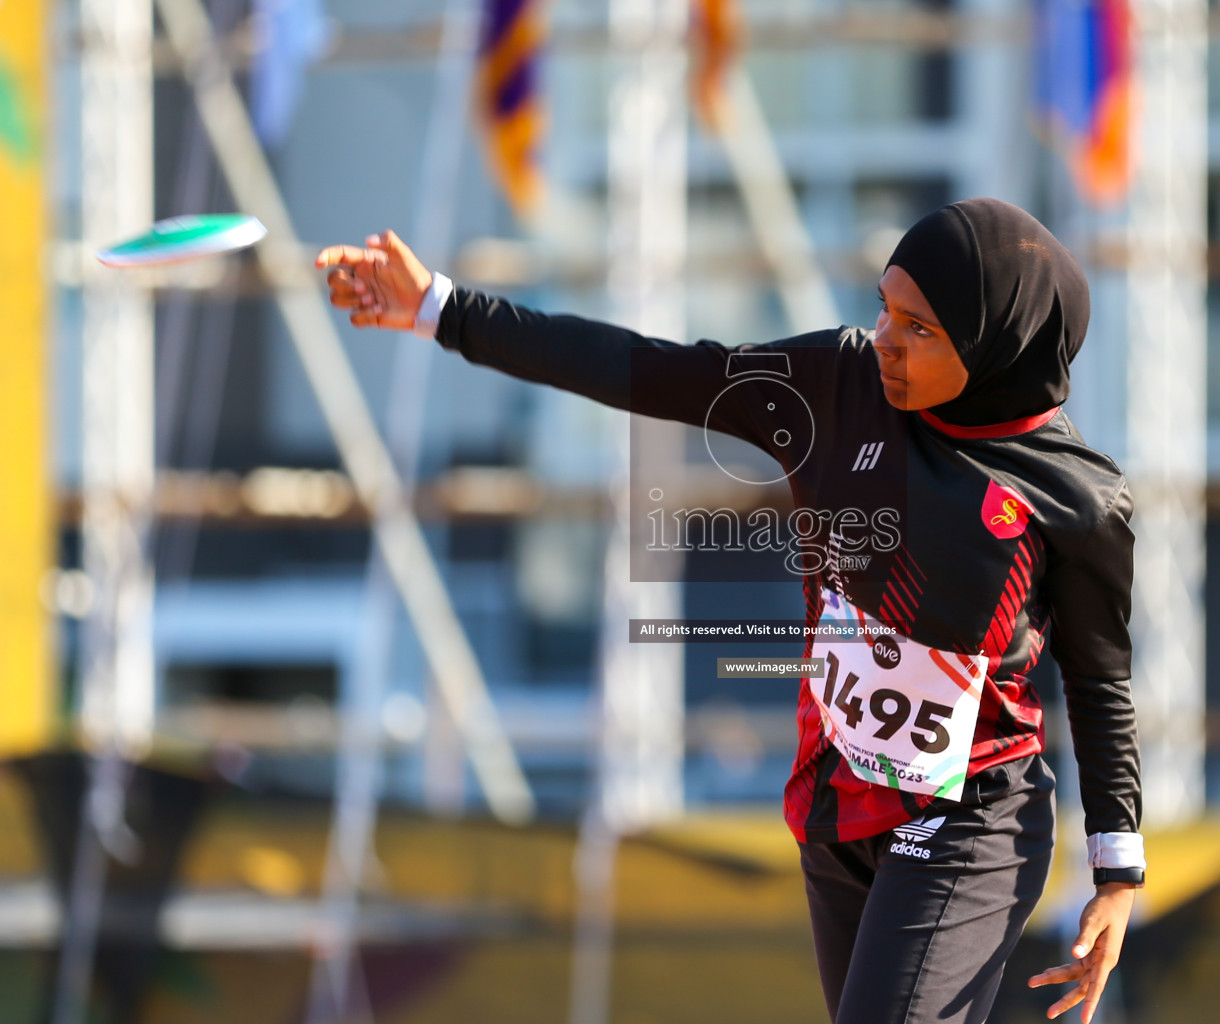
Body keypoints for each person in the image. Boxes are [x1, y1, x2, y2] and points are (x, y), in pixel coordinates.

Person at [317, 197, 1144, 1024]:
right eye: (884, 308)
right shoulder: (837, 383)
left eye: (920, 329)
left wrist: (1117, 873)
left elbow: (1101, 682)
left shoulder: (1078, 500)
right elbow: (645, 367)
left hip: (970, 817)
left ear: (997, 342)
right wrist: (439, 307)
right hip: (838, 800)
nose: (886, 337)